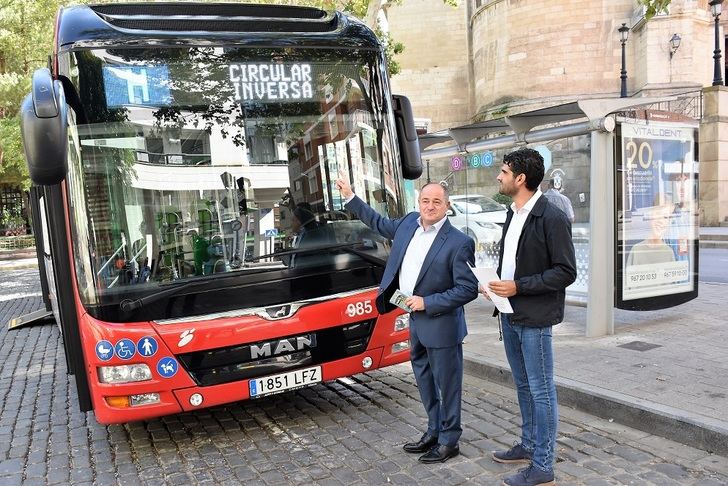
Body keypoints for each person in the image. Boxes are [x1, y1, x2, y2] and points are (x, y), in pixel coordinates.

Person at [335, 173, 479, 464]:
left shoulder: (459, 242)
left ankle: (450, 440)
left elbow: (468, 288)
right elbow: (377, 222)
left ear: (447, 206)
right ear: (419, 201)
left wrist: (428, 302)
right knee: (424, 380)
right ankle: (433, 430)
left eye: (436, 202)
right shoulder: (407, 224)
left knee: (447, 385)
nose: (429, 206)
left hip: (441, 324)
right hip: (413, 320)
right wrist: (351, 196)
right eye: (425, 200)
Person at [486, 148, 576, 486]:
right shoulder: (514, 212)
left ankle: (543, 465)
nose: (499, 176)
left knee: (541, 390)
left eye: (504, 171)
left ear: (521, 179)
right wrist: (494, 286)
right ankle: (528, 445)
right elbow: (514, 261)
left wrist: (517, 287)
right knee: (524, 385)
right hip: (508, 312)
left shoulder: (551, 217)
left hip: (535, 317)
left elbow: (566, 272)